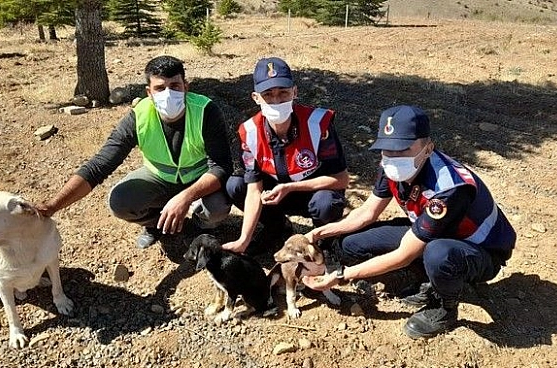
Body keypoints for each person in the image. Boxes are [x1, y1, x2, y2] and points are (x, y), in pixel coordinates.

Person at [303, 105, 517, 339]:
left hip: (479, 251)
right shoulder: (391, 167)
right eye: (386, 149)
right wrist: (321, 233)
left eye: (403, 149)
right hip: (433, 232)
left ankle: (443, 306)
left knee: (437, 254)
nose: (392, 157)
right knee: (350, 243)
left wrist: (342, 276)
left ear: (428, 149)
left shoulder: (449, 189)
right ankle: (428, 278)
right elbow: (367, 212)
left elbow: (404, 254)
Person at [37, 55, 232, 249]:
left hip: (199, 178)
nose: (168, 94)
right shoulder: (139, 116)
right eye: (160, 88)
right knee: (120, 201)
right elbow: (99, 166)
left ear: (185, 87)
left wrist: (186, 197)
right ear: (149, 92)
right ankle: (156, 224)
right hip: (159, 177)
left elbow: (221, 167)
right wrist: (54, 205)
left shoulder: (205, 110)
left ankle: (199, 227)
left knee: (217, 208)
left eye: (175, 86)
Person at [222, 57, 350, 255]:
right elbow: (254, 189)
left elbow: (341, 179)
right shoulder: (249, 132)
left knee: (326, 203)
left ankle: (324, 242)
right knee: (235, 185)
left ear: (295, 92)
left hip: (314, 194)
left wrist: (291, 187)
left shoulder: (318, 124)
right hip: (275, 194)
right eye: (268, 95)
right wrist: (243, 239)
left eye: (283, 93)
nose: (276, 101)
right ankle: (277, 228)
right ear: (256, 98)